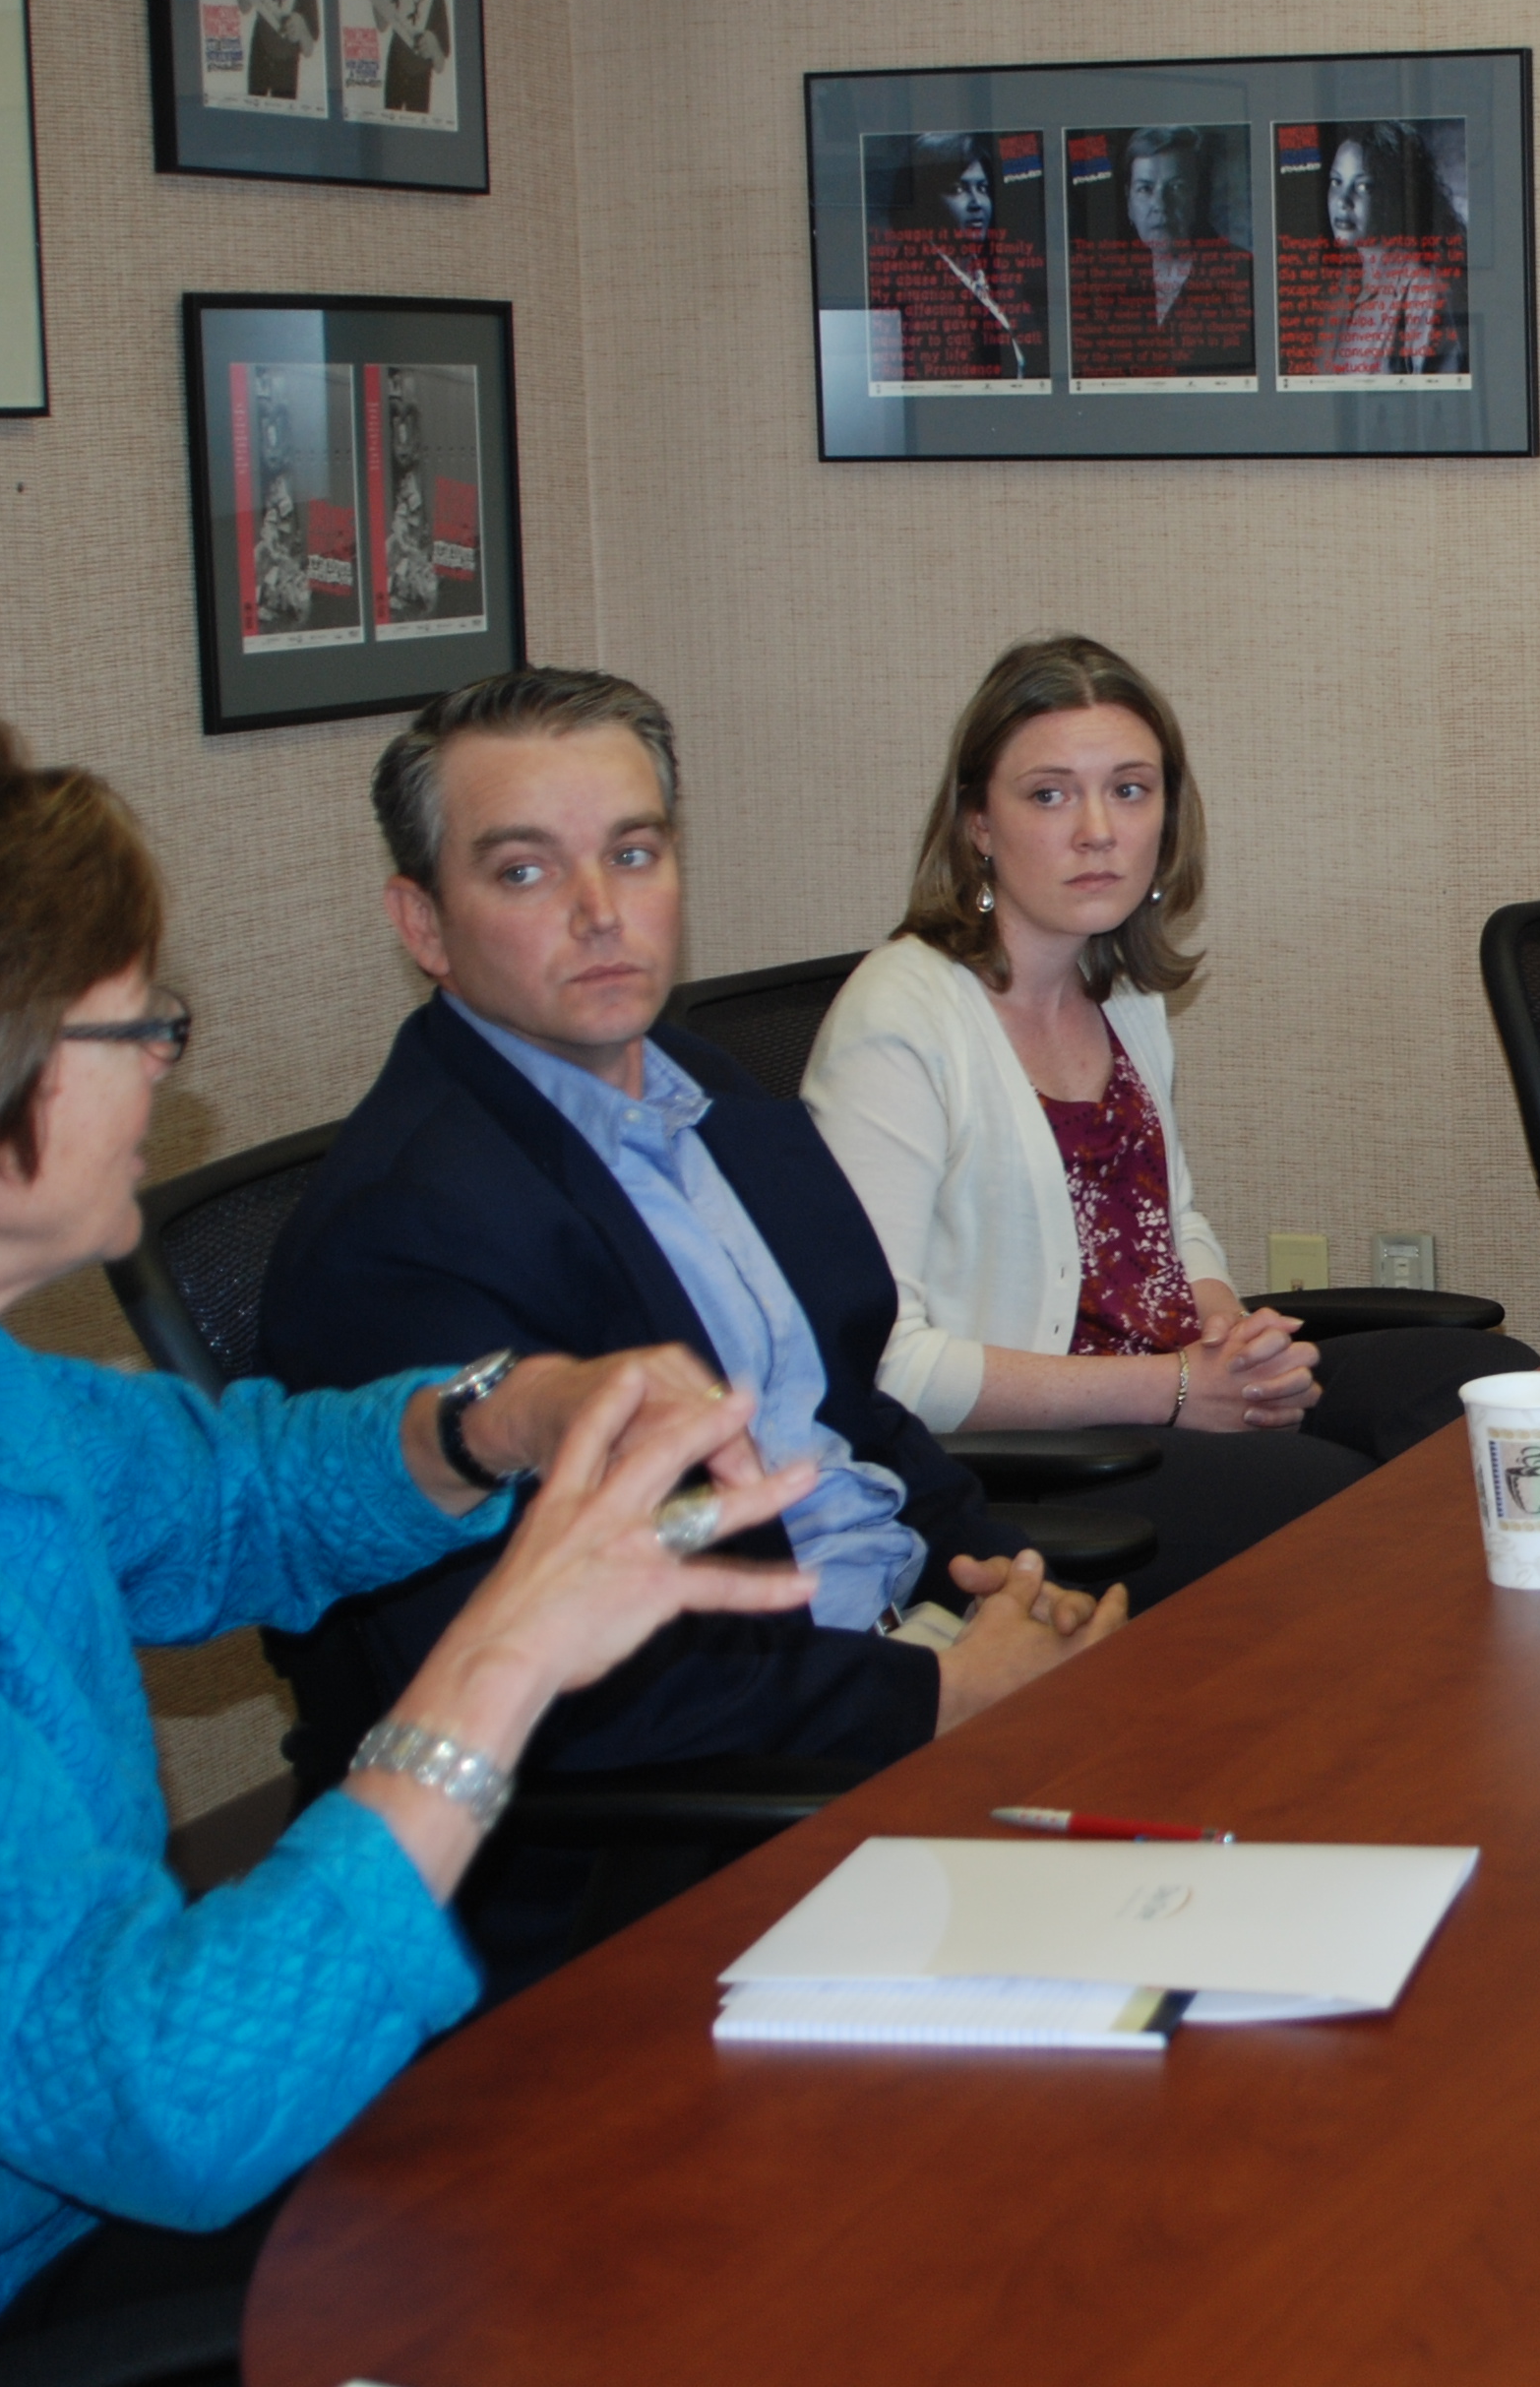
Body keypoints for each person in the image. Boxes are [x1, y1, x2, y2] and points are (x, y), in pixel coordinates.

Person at [0, 716, 822, 2354]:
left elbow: (241, 1492)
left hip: (87, 2191)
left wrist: (490, 1413)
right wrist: (505, 1654)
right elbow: (168, 2099)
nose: (168, 1058)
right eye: (132, 1023)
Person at [260, 671, 1122, 1851]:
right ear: (422, 926)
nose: (597, 911)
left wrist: (1001, 1582)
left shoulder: (702, 1087)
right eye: (523, 871)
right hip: (709, 1807)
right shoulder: (404, 1234)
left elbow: (848, 1409)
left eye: (632, 854)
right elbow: (554, 1678)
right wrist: (947, 1694)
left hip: (890, 1652)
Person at [803, 636, 1538, 1576]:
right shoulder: (898, 1016)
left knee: (1486, 1390)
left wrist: (1226, 1324)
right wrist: (1177, 1387)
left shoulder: (1119, 990)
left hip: (1170, 1380)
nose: (1098, 830)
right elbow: (886, 1365)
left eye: (1130, 789)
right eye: (1049, 794)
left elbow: (1166, 1217)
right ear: (977, 823)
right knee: (1344, 1513)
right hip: (1027, 1459)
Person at [1069, 125, 1252, 382]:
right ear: (1129, 202)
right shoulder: (1104, 282)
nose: (1159, 205)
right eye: (1145, 188)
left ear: (1198, 195)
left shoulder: (1243, 273)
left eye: (1176, 187)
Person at [864, 133, 1042, 385]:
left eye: (982, 189)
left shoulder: (999, 276)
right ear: (925, 200)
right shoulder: (904, 283)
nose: (976, 203)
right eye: (958, 189)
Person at [1292, 120, 1464, 378]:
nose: (1343, 201)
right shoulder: (1340, 291)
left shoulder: (1423, 290)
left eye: (1363, 186)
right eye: (1336, 182)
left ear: (1393, 192)